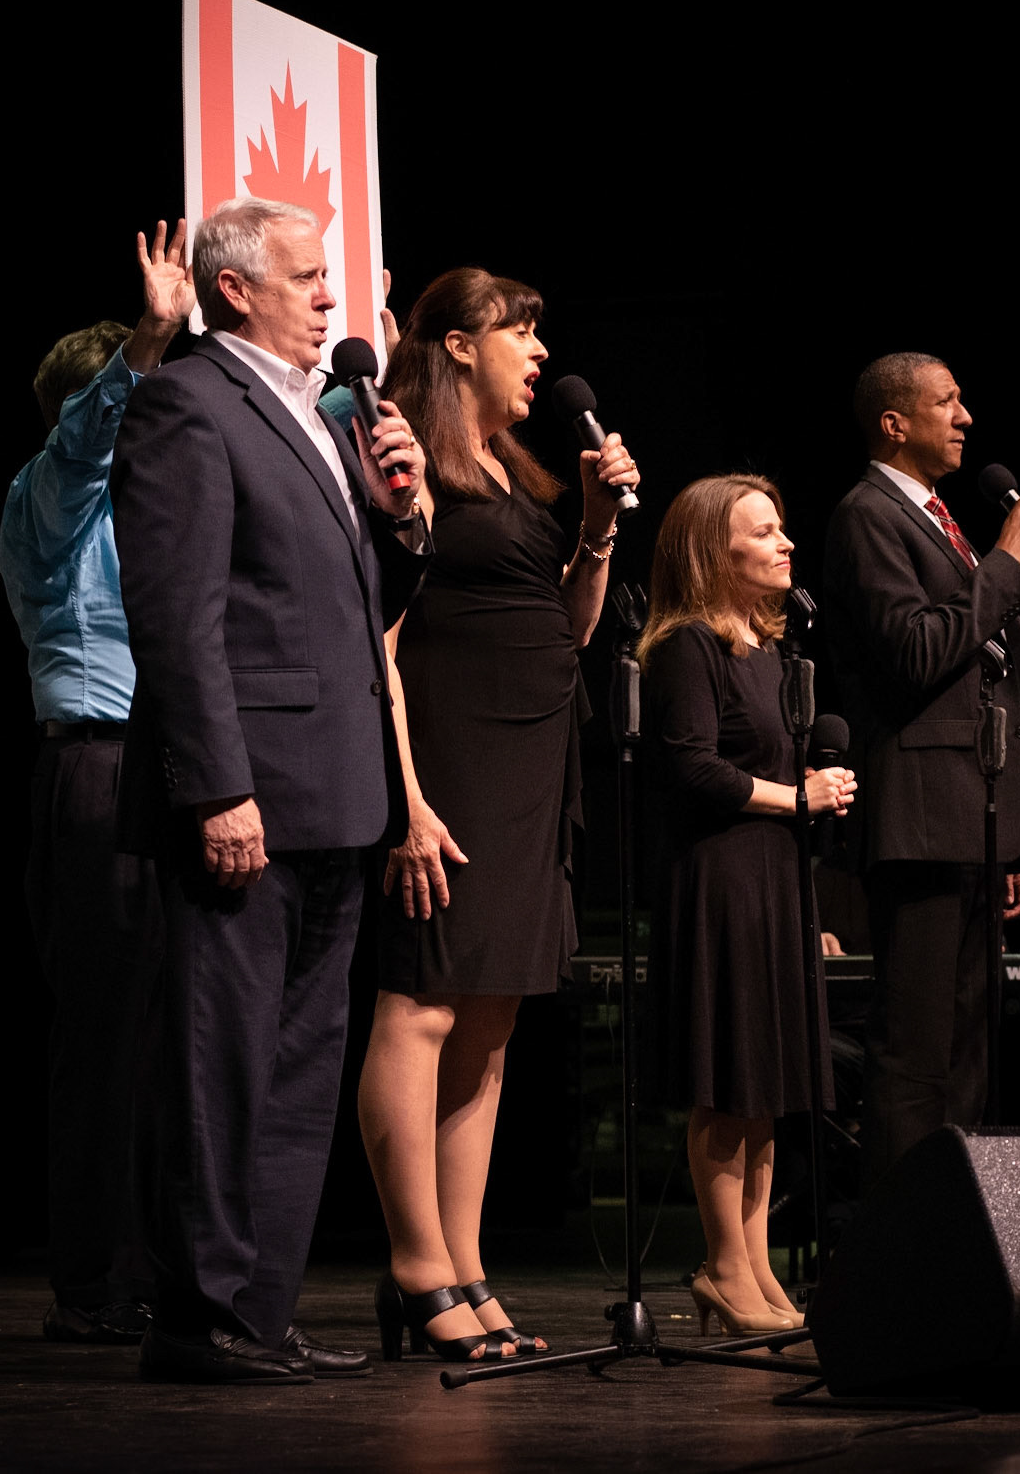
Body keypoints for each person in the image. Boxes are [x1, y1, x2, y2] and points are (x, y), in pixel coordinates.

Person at [111, 197, 429, 1385]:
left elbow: (354, 604)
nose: (330, 298)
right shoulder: (187, 404)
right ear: (234, 289)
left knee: (299, 1067)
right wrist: (215, 790)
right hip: (248, 797)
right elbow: (176, 618)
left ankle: (260, 1310)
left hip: (336, 789)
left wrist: (403, 519)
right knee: (223, 1061)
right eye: (306, 278)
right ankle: (197, 1315)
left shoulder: (324, 413)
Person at [355, 268, 640, 1363]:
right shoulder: (412, 464)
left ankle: (466, 1264)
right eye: (521, 330)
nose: (539, 351)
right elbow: (379, 642)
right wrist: (408, 803)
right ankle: (414, 1264)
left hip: (531, 768)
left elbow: (569, 628)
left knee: (488, 1025)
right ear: (460, 345)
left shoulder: (511, 472)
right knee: (423, 1006)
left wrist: (598, 526)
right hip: (452, 766)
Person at [0, 220, 193, 1344]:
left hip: (172, 771)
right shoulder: (49, 493)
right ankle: (94, 1284)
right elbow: (84, 448)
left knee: (179, 1041)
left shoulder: (153, 507)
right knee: (108, 1038)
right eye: (142, 400)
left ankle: (168, 1270)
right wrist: (146, 347)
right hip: (97, 772)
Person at [822, 352, 1020, 1189]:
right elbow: (918, 651)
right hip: (920, 819)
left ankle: (956, 1227)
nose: (965, 416)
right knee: (916, 1050)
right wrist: (1006, 563)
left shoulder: (932, 514)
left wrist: (1008, 835)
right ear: (895, 423)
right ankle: (901, 1236)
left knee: (967, 1048)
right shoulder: (867, 514)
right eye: (946, 401)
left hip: (972, 816)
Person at [638, 475, 856, 1335]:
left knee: (765, 1086)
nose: (785, 543)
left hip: (774, 878)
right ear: (712, 551)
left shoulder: (767, 650)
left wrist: (810, 795)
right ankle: (723, 1263)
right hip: (721, 881)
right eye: (763, 531)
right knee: (726, 1082)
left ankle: (757, 1264)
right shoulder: (686, 645)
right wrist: (796, 795)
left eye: (781, 527)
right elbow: (690, 765)